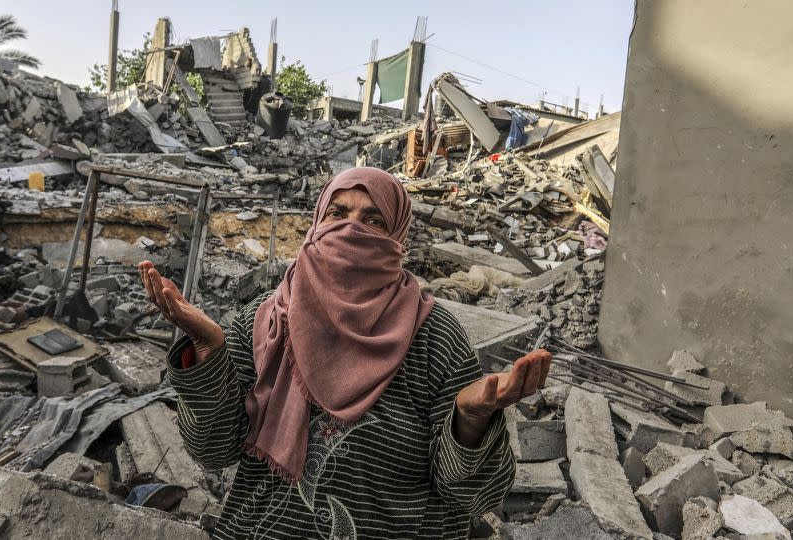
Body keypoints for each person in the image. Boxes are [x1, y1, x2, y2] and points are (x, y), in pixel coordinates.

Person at [138, 167, 552, 539]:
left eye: (373, 220)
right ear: (317, 222)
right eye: (338, 213)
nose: (351, 230)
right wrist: (209, 351)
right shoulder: (264, 320)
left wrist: (471, 419)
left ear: (397, 237)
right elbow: (213, 451)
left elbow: (473, 497)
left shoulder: (434, 337)